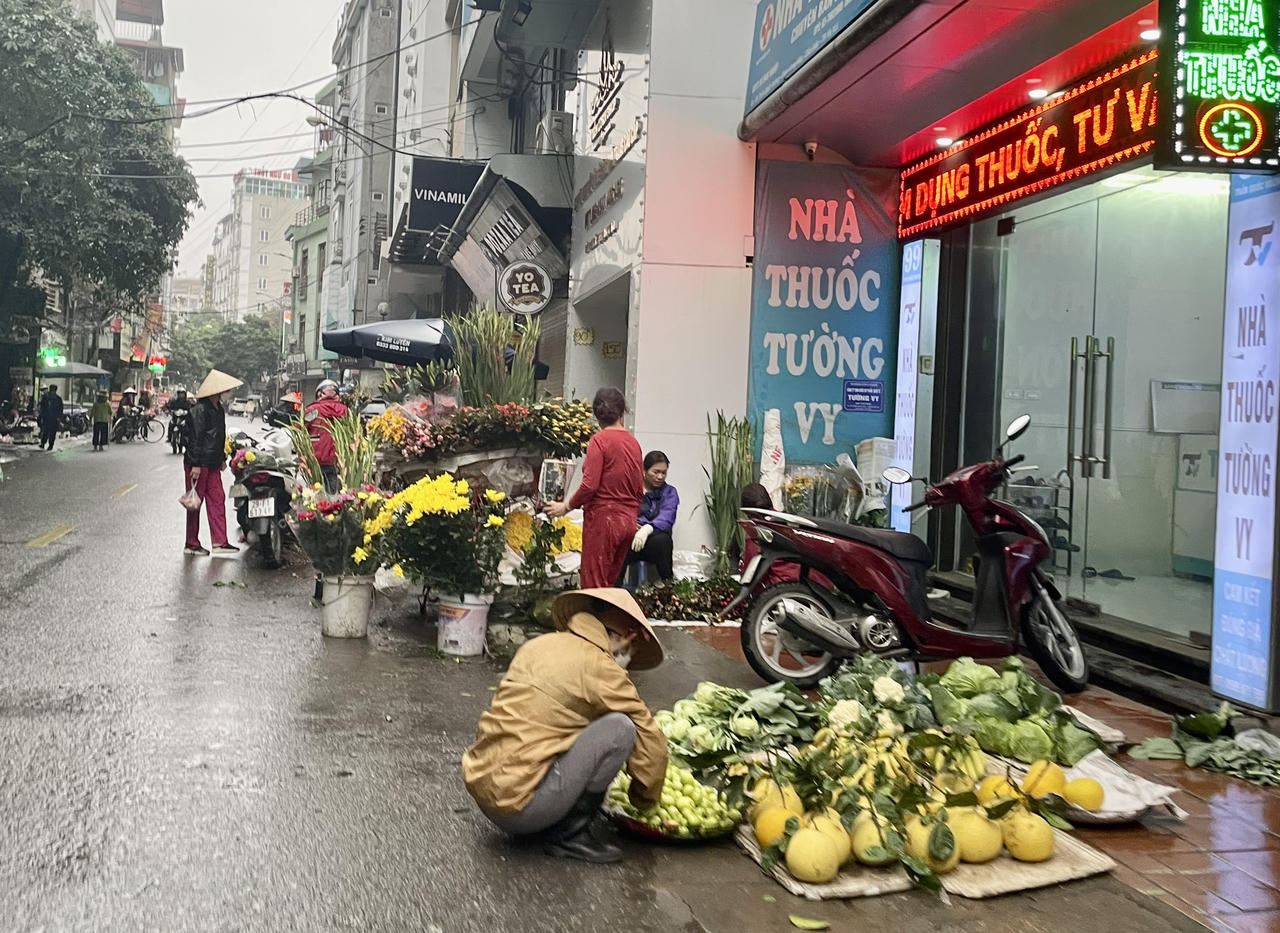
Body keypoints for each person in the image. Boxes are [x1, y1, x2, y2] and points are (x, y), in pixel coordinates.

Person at [462, 588, 667, 864]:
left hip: (487, 790)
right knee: (621, 727)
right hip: (521, 809)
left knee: (585, 718)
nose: (628, 661)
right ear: (628, 638)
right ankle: (569, 837)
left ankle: (549, 818)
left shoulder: (540, 645)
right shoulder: (601, 667)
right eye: (632, 650)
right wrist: (644, 799)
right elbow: (649, 738)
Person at [545, 388, 642, 589]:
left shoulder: (599, 441)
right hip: (628, 522)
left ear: (596, 415)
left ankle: (592, 620)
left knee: (594, 587)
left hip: (604, 522)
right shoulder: (634, 443)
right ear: (622, 411)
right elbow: (639, 489)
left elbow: (590, 485)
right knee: (610, 585)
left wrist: (566, 506)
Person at [183, 369, 243, 557]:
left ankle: (220, 541)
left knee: (218, 499)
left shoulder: (218, 409)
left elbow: (217, 438)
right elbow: (195, 438)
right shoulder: (199, 410)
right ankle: (191, 543)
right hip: (199, 464)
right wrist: (195, 464)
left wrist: (221, 459)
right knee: (195, 503)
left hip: (213, 463)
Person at [739, 483, 834, 590]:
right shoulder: (785, 522)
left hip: (786, 589)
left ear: (748, 512)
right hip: (817, 583)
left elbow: (751, 576)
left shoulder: (758, 532)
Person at [622, 451, 679, 582]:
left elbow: (667, 517)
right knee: (618, 543)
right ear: (644, 470)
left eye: (664, 473)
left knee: (663, 540)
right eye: (656, 472)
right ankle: (612, 593)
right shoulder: (631, 488)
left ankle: (668, 587)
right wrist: (631, 525)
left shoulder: (670, 492)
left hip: (654, 543)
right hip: (630, 540)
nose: (660, 476)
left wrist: (647, 529)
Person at [304, 379, 349, 493]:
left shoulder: (312, 410)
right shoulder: (344, 410)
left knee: (315, 494)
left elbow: (300, 429)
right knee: (334, 493)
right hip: (338, 459)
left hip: (316, 460)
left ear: (319, 394)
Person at [37, 385, 63, 451]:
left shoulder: (58, 399)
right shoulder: (46, 398)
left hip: (54, 418)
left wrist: (59, 417)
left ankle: (50, 445)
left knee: (52, 432)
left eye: (53, 390)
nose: (52, 392)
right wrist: (41, 416)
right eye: (51, 390)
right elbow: (42, 407)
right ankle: (43, 443)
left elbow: (60, 409)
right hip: (47, 417)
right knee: (45, 431)